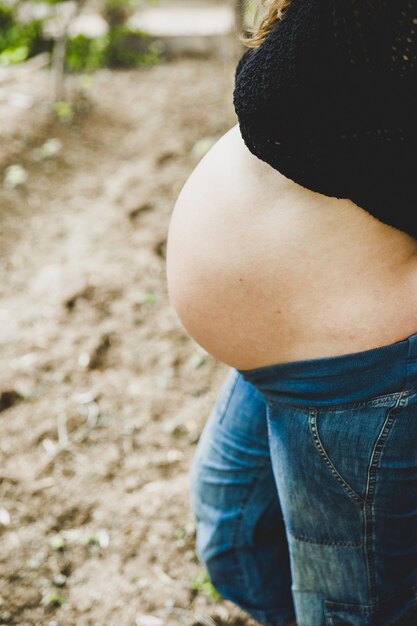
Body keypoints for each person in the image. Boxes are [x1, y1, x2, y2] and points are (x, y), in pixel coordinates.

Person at [165, 0, 417, 624]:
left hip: (363, 366)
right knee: (238, 541)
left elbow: (297, 115)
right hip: (295, 342)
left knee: (352, 610)